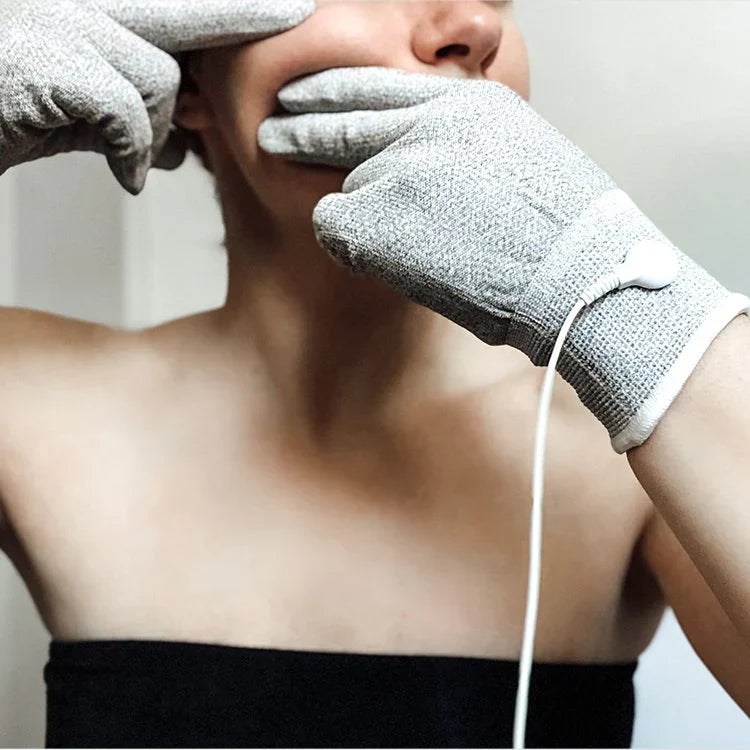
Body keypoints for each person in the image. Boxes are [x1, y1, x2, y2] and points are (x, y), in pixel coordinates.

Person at [0, 1, 748, 747]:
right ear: (191, 80)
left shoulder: (627, 448)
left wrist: (643, 316)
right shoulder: (29, 397)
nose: (474, 25)